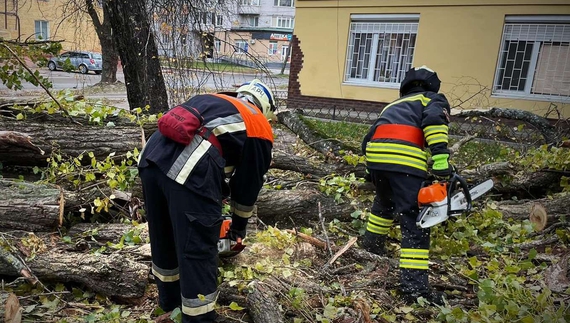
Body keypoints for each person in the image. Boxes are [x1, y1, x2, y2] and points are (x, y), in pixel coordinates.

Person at [137, 79, 276, 322]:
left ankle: (170, 306)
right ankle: (199, 318)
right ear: (265, 108)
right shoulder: (258, 124)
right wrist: (238, 229)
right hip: (189, 167)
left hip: (150, 157)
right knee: (197, 250)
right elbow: (247, 187)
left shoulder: (216, 100)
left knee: (164, 237)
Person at [360, 66, 453, 305]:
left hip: (376, 158)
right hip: (404, 162)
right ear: (432, 85)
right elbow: (434, 121)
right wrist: (441, 159)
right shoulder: (432, 99)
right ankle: (414, 290)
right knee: (415, 221)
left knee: (383, 204)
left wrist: (373, 167)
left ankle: (370, 249)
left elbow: (367, 138)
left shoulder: (391, 106)